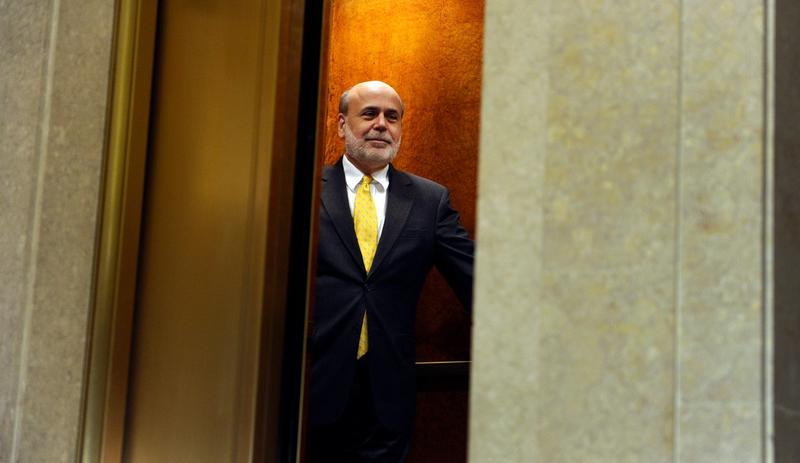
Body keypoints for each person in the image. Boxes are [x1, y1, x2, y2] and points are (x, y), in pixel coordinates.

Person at [307, 80, 474, 462]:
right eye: (369, 114)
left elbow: (477, 281)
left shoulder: (430, 200)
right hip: (310, 385)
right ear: (341, 124)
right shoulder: (304, 189)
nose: (381, 124)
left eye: (392, 117)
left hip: (387, 394)